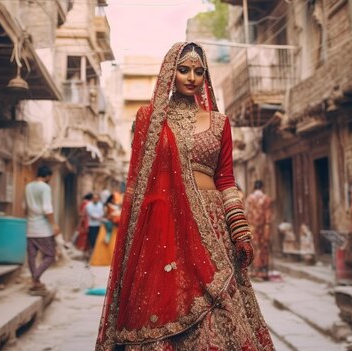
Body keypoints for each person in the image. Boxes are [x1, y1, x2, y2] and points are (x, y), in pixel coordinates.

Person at [96, 42, 275, 351]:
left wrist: (240, 229)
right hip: (165, 227)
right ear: (169, 73)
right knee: (165, 300)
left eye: (199, 71)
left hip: (213, 227)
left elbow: (226, 179)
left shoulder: (220, 122)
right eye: (183, 70)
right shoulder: (149, 119)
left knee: (221, 303)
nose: (192, 77)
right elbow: (139, 184)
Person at [25, 165, 60, 293]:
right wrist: (54, 225)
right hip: (42, 228)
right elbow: (47, 209)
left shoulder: (28, 186)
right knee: (50, 255)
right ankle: (35, 278)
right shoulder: (45, 187)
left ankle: (36, 282)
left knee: (32, 256)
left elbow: (27, 207)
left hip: (30, 227)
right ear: (48, 176)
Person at [245, 180, 273, 281]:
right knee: (263, 247)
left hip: (252, 227)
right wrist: (267, 227)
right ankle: (262, 272)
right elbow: (268, 215)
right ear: (262, 187)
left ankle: (253, 271)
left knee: (254, 247)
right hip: (263, 228)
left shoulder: (249, 198)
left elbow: (246, 213)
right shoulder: (266, 199)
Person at [89, 192, 122, 266]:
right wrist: (112, 218)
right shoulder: (107, 206)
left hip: (116, 226)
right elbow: (105, 215)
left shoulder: (119, 206)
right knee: (106, 242)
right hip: (108, 225)